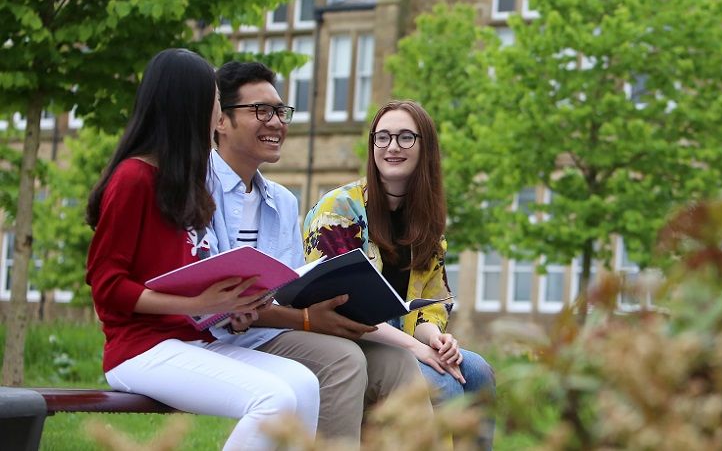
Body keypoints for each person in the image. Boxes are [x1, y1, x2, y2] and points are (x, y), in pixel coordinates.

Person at [85, 48, 320, 451]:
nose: (218, 115)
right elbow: (107, 288)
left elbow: (191, 279)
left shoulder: (187, 183)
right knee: (274, 398)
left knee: (304, 384)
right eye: (214, 102)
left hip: (193, 341)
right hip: (138, 349)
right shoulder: (133, 180)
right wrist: (195, 300)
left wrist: (230, 303)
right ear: (188, 107)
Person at [205, 61, 433, 443]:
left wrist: (313, 311)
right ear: (220, 121)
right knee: (343, 360)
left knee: (398, 363)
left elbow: (291, 286)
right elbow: (210, 303)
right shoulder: (196, 190)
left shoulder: (280, 200)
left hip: (273, 329)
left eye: (281, 112)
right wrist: (307, 319)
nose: (277, 122)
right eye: (261, 111)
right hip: (223, 338)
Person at [303, 100, 496, 449]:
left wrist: (436, 340)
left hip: (403, 343)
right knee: (445, 384)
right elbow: (341, 308)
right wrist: (416, 349)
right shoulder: (339, 210)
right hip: (351, 343)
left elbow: (430, 304)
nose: (392, 146)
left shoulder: (427, 224)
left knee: (478, 370)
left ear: (426, 149)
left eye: (406, 137)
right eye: (383, 137)